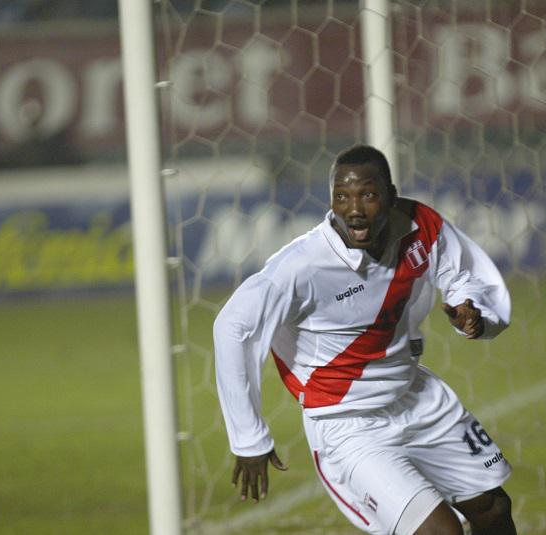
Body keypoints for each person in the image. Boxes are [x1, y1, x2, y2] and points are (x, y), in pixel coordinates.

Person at [214, 144, 516, 535]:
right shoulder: (303, 266)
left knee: (492, 507)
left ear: (390, 196)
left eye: (367, 195)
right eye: (342, 196)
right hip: (348, 426)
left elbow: (461, 273)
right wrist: (249, 437)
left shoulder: (420, 225)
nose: (353, 209)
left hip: (416, 396)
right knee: (440, 532)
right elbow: (233, 327)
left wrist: (470, 311)